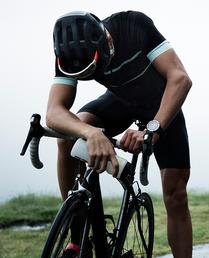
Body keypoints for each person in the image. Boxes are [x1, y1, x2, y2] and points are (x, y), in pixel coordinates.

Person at [47, 11, 193, 257]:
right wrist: (90, 133)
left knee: (176, 194)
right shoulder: (70, 55)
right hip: (120, 102)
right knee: (66, 137)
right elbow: (54, 112)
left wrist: (153, 128)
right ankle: (77, 237)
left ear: (107, 44)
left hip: (161, 107)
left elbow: (180, 79)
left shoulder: (132, 25)